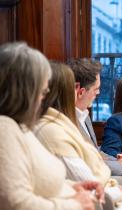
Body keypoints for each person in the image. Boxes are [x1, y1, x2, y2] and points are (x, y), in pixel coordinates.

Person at [0, 42, 104, 210]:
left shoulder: (21, 128)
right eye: (41, 92)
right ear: (24, 93)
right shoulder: (5, 129)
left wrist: (72, 188)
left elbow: (38, 184)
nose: (43, 99)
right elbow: (16, 203)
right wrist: (73, 203)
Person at [35, 61, 122, 207]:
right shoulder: (52, 129)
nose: (98, 93)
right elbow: (88, 182)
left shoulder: (69, 120)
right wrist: (121, 192)